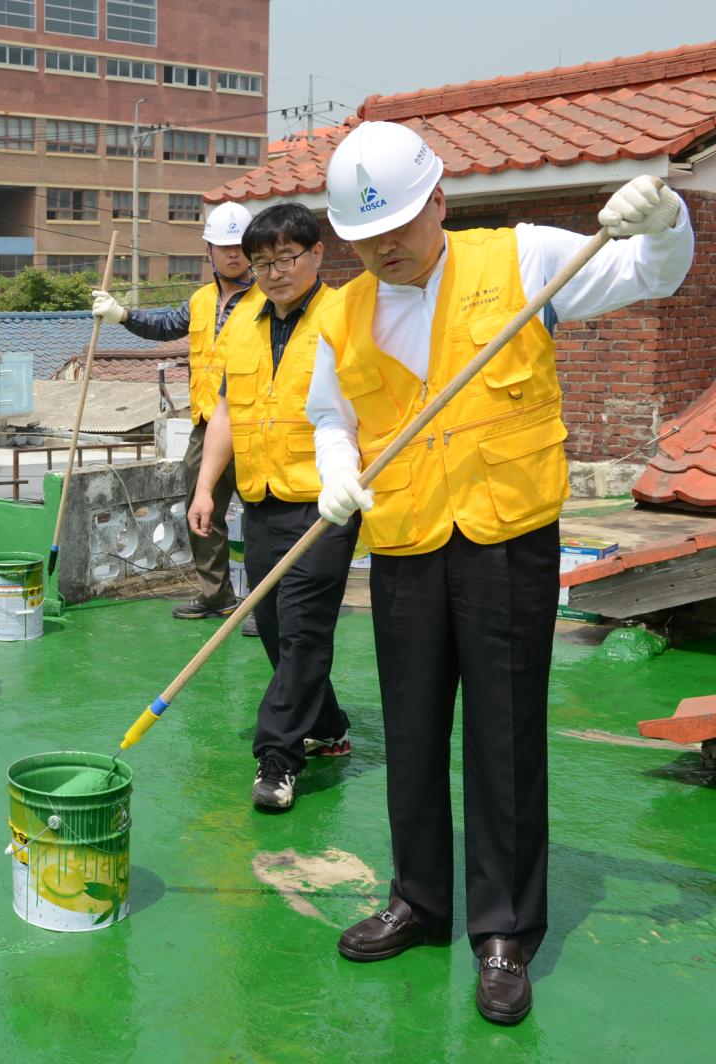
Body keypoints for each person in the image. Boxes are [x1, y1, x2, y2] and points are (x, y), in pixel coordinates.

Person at [308, 121, 695, 1024]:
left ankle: (503, 931)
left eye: (397, 228)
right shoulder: (341, 312)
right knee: (410, 730)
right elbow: (331, 415)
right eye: (364, 238)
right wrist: (336, 469)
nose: (383, 250)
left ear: (439, 201)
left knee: (504, 733)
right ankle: (419, 900)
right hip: (404, 540)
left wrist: (666, 217)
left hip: (506, 538)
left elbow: (653, 273)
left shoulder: (523, 259)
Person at [185, 203, 358, 813]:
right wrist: (206, 487)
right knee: (277, 628)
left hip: (325, 503)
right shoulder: (242, 322)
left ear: (317, 254)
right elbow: (226, 411)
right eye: (262, 263)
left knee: (304, 627)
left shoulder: (347, 315)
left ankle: (278, 758)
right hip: (259, 499)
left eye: (286, 258)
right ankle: (328, 725)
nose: (274, 272)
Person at [93, 201, 261, 636]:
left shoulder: (269, 299)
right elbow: (165, 326)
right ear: (209, 250)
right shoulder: (201, 301)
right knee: (201, 510)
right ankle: (216, 594)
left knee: (262, 515)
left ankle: (267, 605)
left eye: (240, 245)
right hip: (206, 422)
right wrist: (121, 315)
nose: (233, 253)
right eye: (223, 246)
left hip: (256, 422)